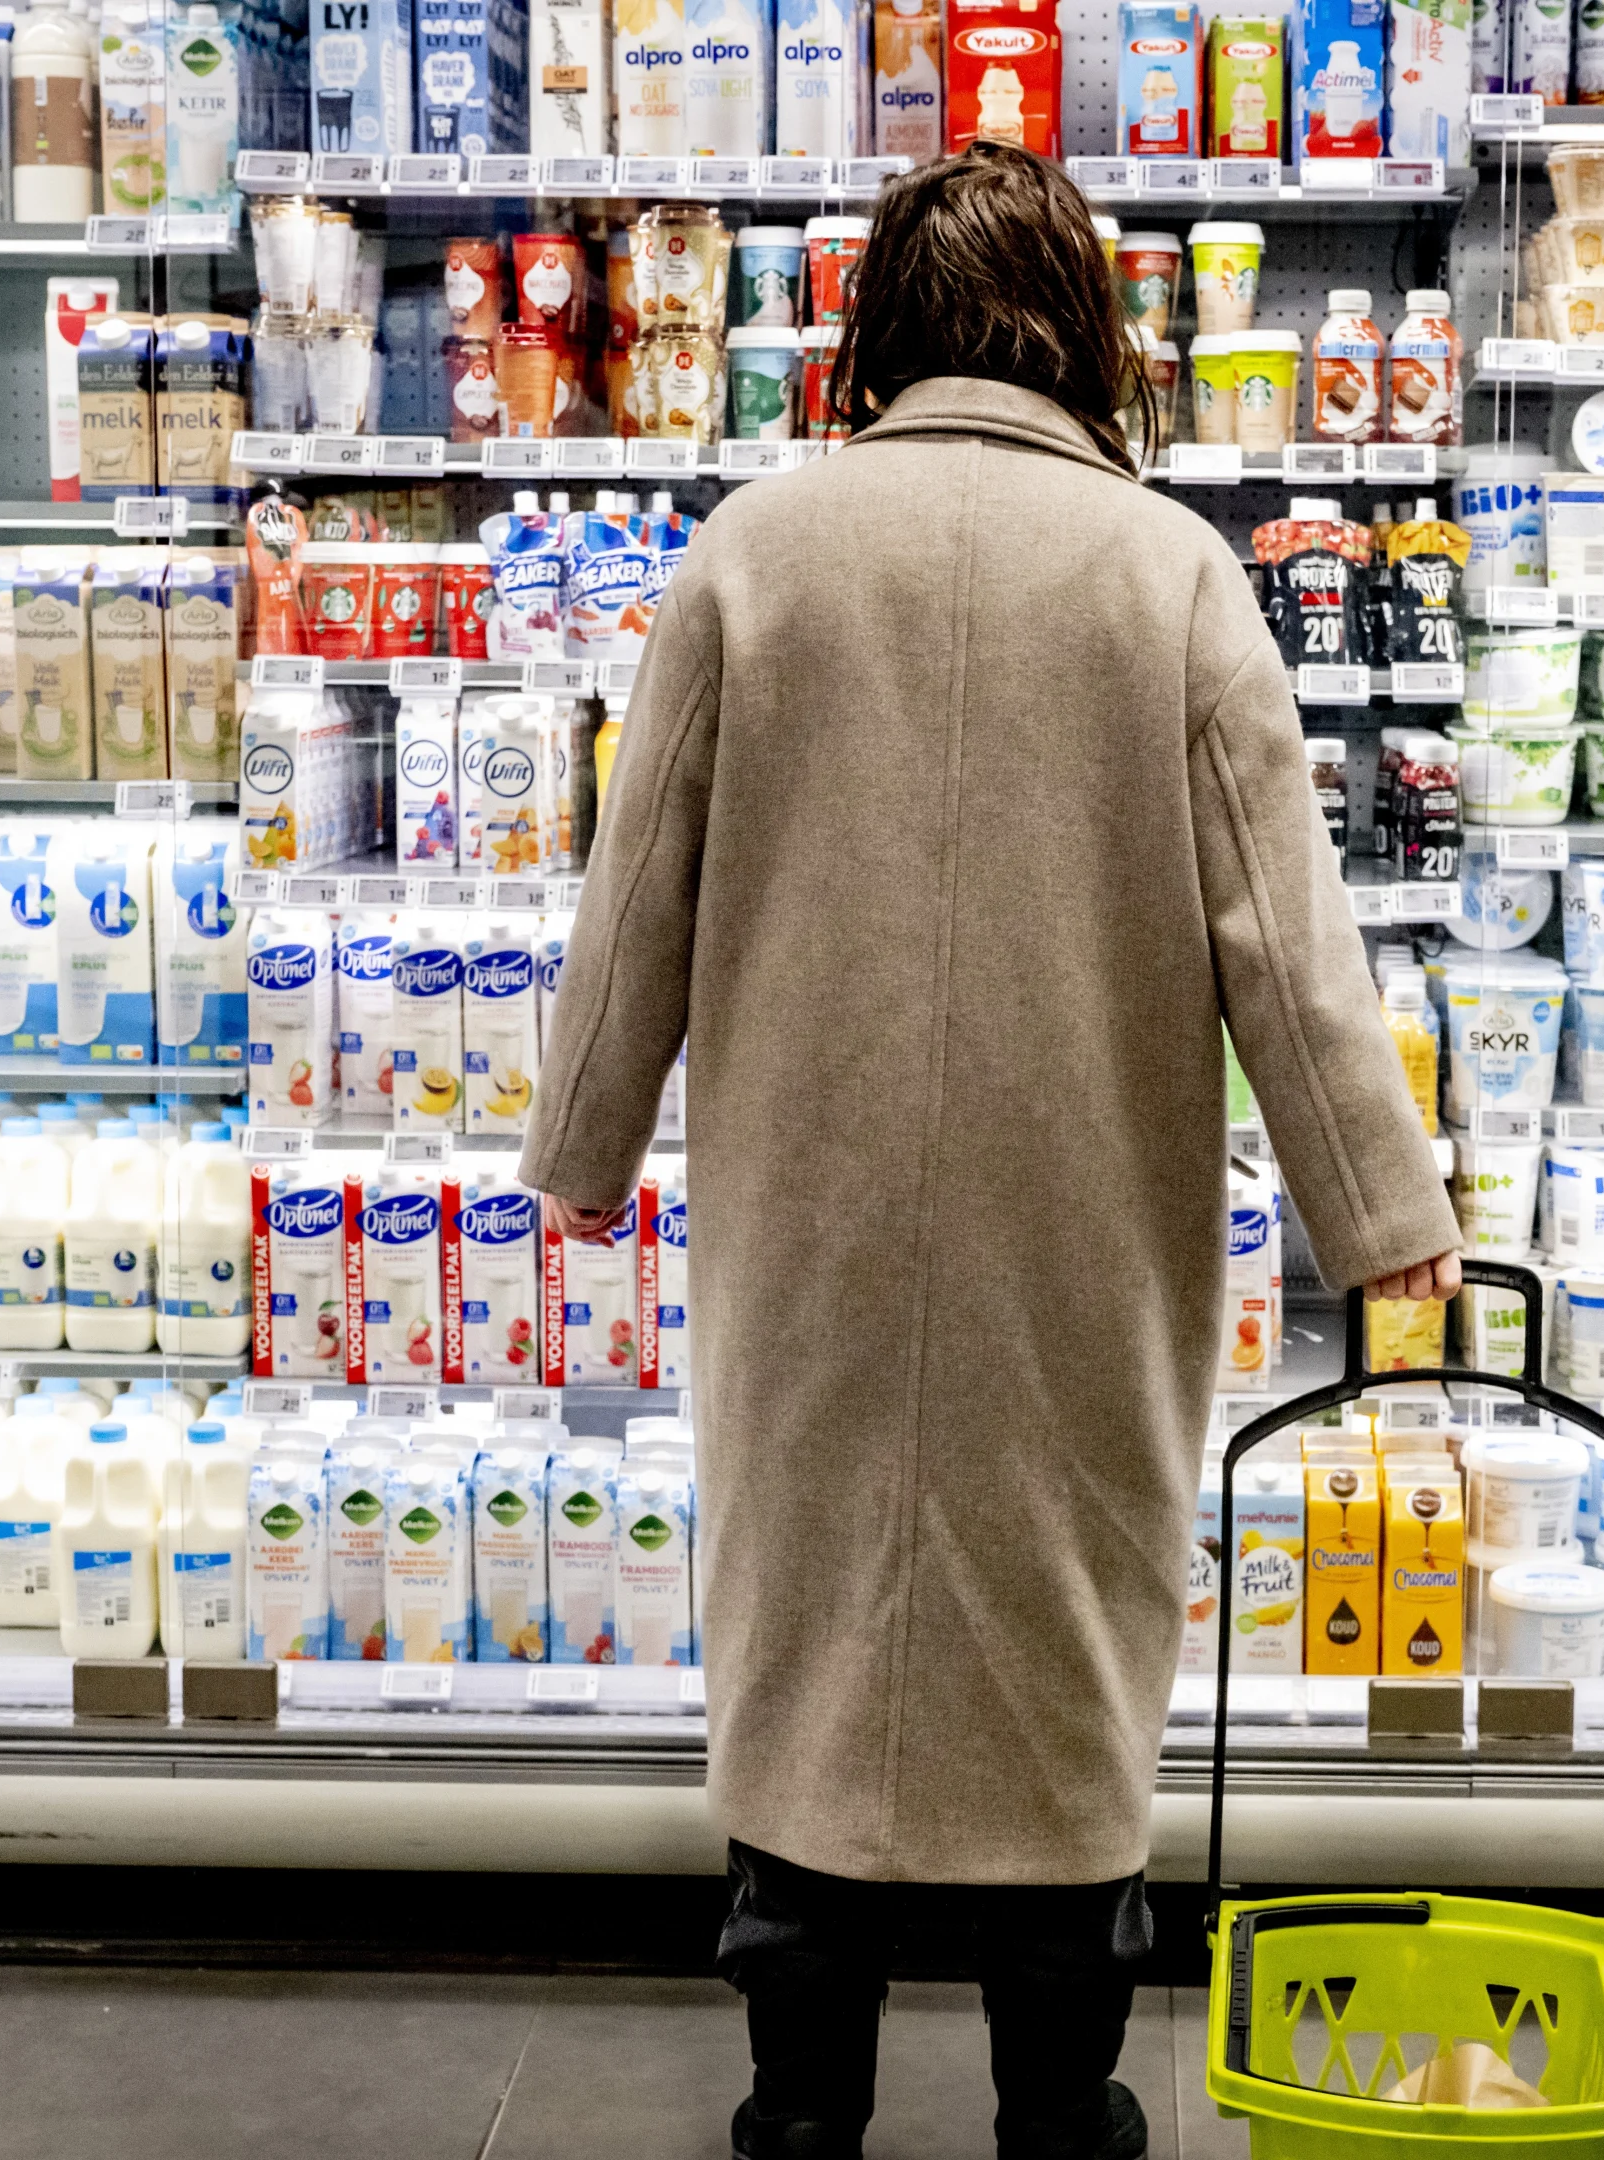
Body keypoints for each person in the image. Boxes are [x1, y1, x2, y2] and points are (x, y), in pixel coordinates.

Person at [518, 140, 1463, 2160]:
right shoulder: (1171, 574)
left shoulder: (755, 554)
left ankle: (801, 2112)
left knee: (813, 1630)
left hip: (815, 1225)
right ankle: (1062, 2112)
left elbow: (637, 884)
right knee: (1062, 1643)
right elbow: (1287, 946)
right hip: (1082, 1229)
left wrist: (583, 1142)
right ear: (1088, 338)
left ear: (877, 329)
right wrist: (1387, 1219)